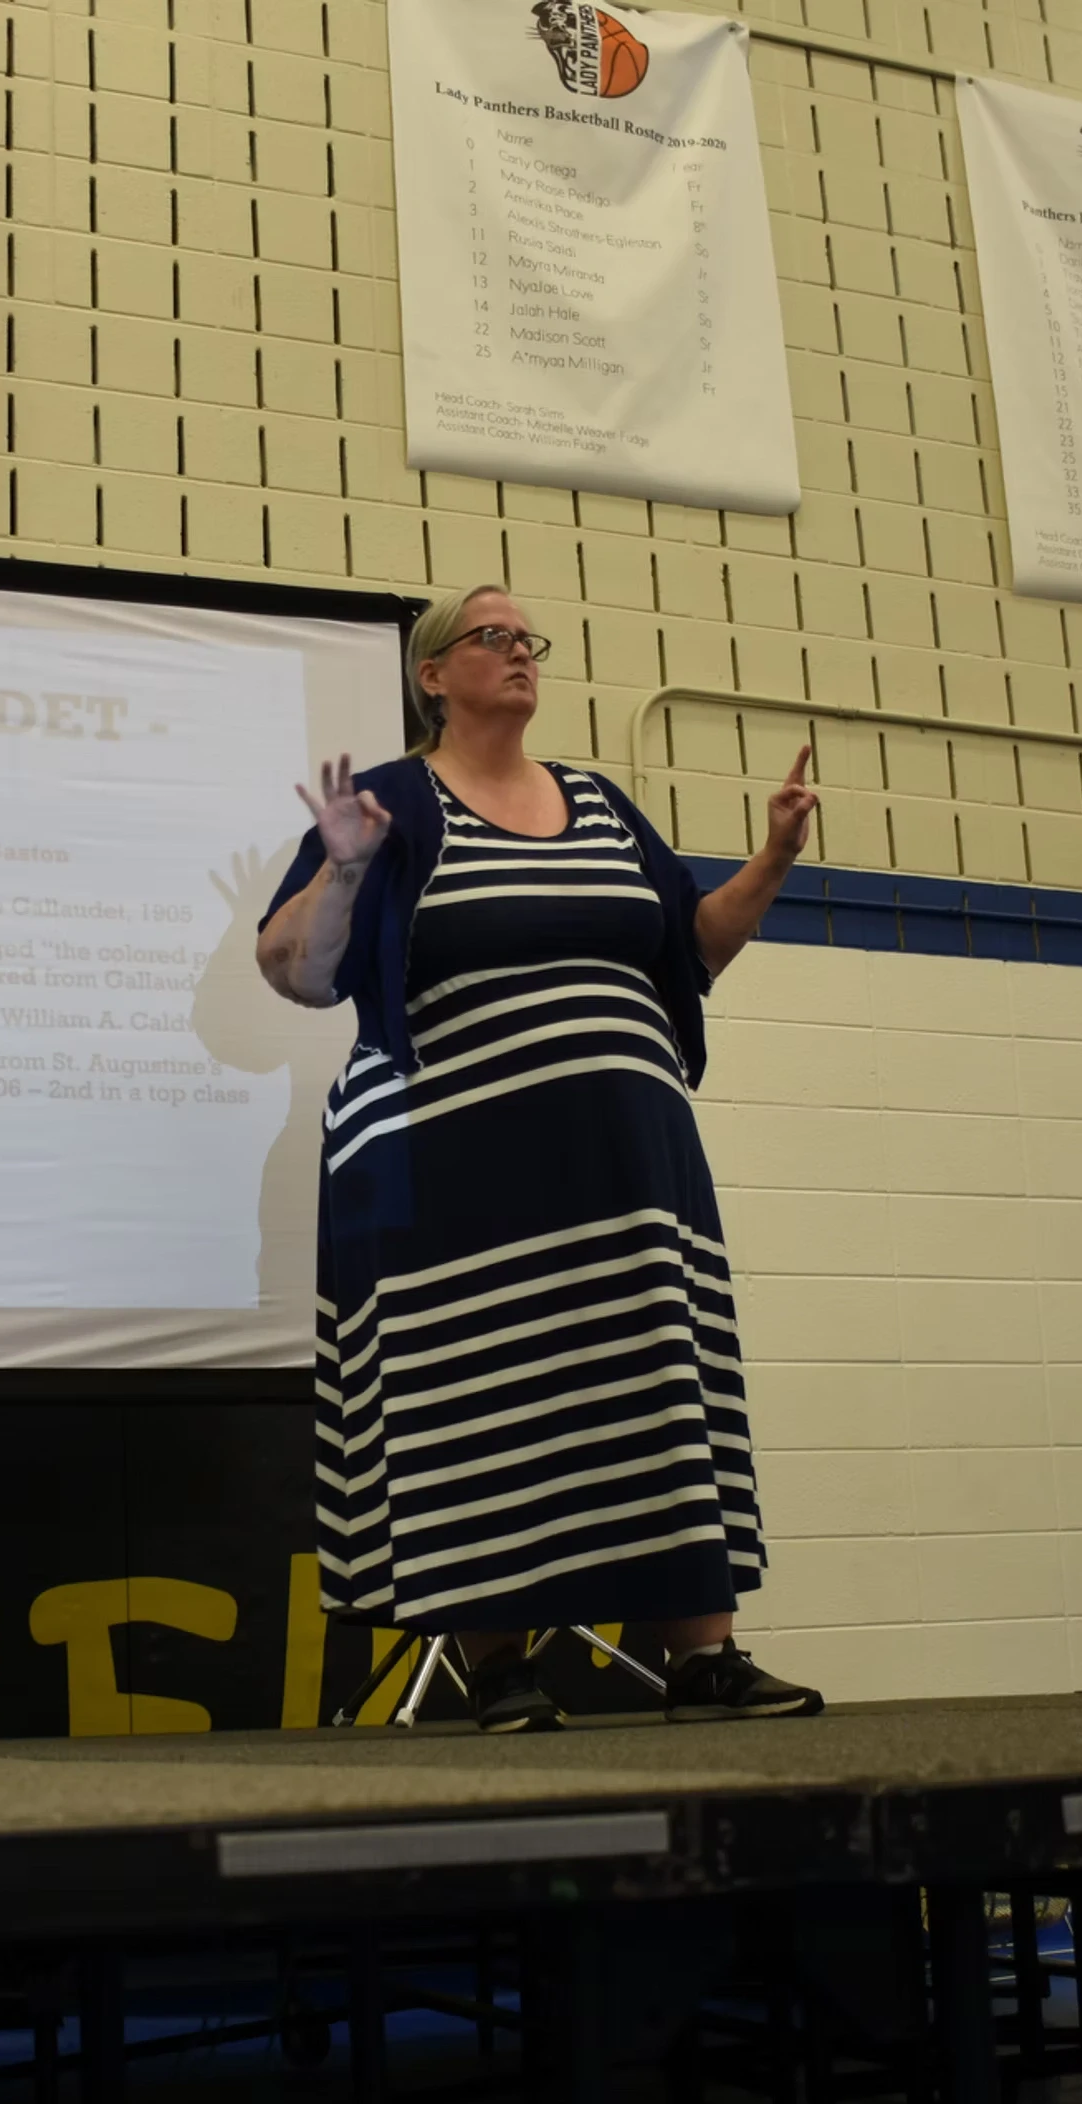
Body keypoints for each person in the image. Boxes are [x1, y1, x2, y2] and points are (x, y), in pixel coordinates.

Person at [255, 582, 823, 1732]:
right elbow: (295, 970)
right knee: (484, 1396)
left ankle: (702, 1658)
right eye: (491, 638)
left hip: (626, 1171)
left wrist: (769, 859)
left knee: (655, 1380)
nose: (518, 654)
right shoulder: (390, 804)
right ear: (430, 675)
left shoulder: (600, 804)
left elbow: (691, 947)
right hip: (462, 1173)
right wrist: (348, 867)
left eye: (528, 641)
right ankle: (498, 1663)